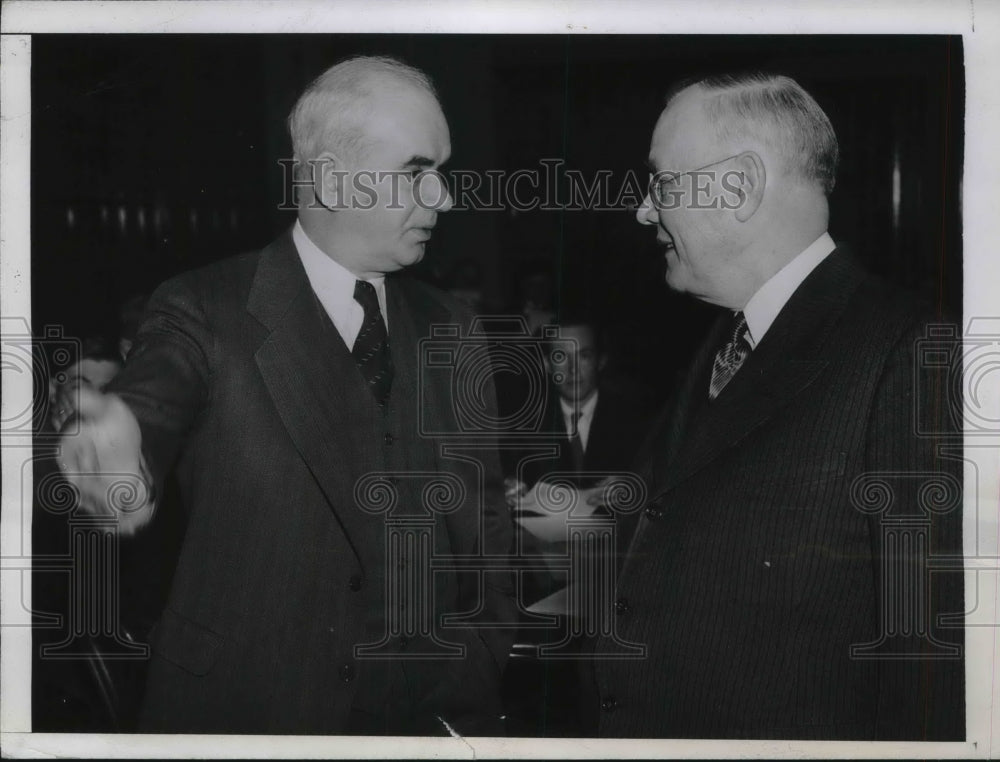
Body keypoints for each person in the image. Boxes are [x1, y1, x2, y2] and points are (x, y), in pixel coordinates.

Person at [57, 55, 516, 736]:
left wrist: (473, 670)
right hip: (250, 720)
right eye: (417, 172)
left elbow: (485, 533)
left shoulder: (454, 325)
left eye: (443, 172)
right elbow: (151, 405)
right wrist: (119, 456)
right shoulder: (204, 308)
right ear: (331, 181)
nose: (445, 198)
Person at [586, 72, 964, 739]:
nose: (646, 210)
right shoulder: (726, 336)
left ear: (738, 187)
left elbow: (931, 665)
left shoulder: (913, 351)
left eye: (664, 183)